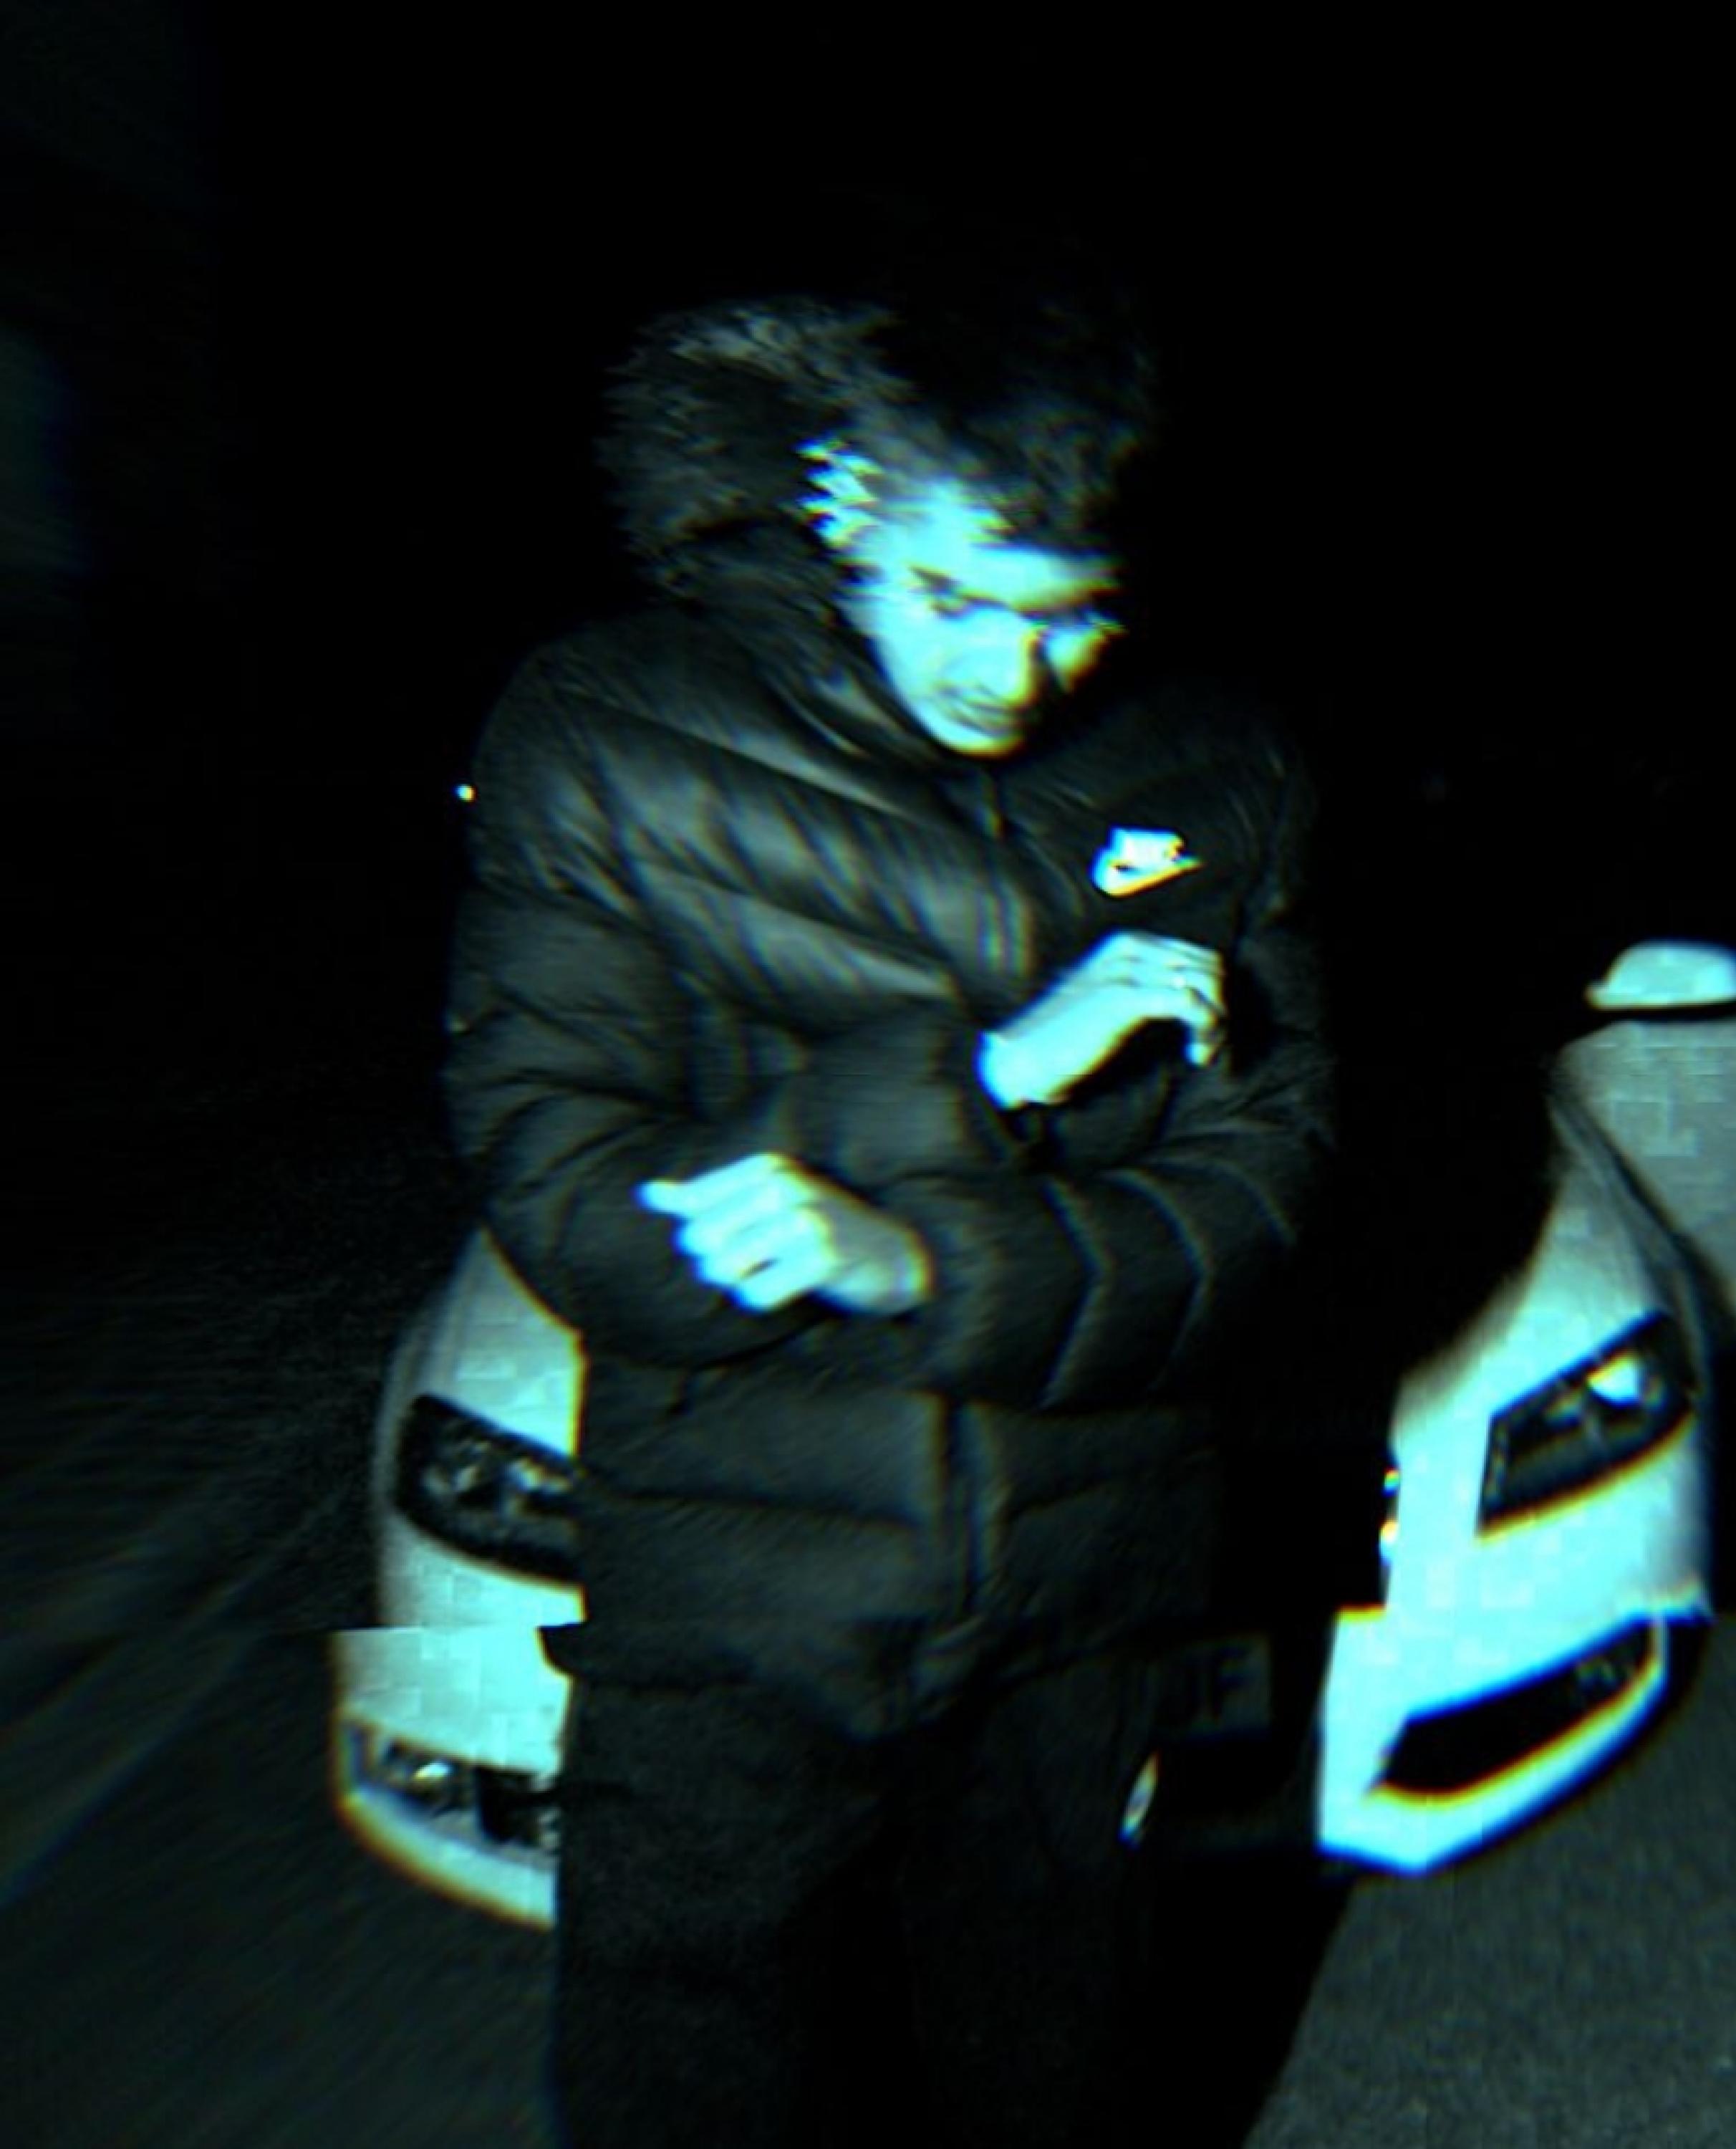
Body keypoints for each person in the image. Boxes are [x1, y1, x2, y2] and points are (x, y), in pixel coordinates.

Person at [439, 266, 1336, 2146]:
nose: (1012, 675)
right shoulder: (606, 732)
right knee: (700, 2087)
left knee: (1063, 2075)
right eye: (956, 600)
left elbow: (1262, 1196)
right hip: (740, 1598)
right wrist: (977, 1083)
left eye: (1072, 619)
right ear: (843, 497)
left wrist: (924, 1259)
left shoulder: (1222, 763)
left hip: (1089, 1581)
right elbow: (564, 1183)